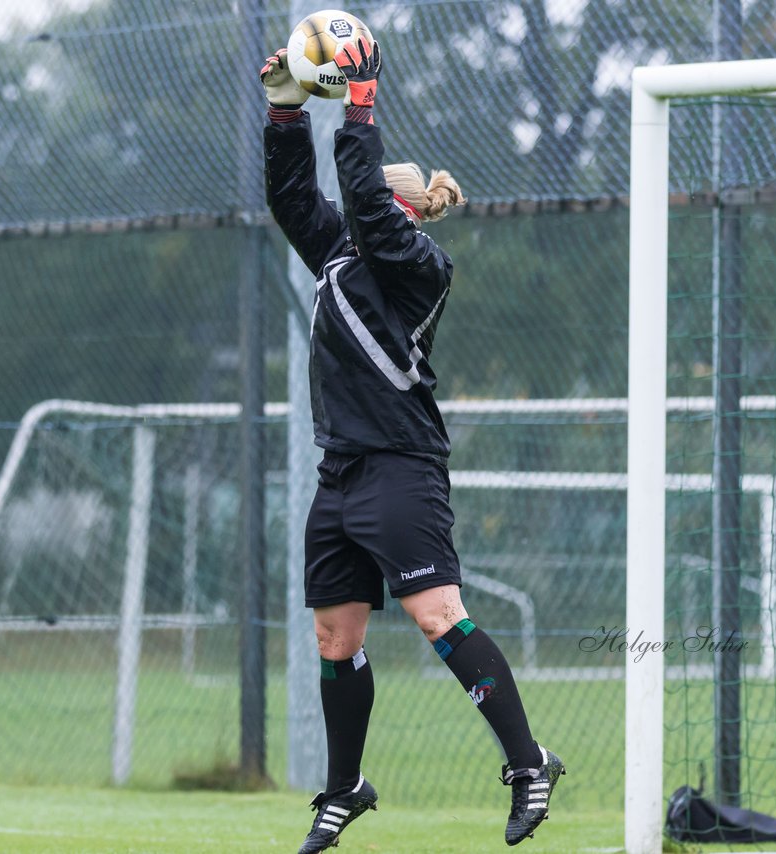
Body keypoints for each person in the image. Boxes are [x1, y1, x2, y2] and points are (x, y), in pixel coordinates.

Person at [261, 35, 566, 853]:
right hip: (342, 473)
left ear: (397, 209)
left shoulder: (415, 264)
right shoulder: (337, 253)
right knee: (336, 639)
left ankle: (529, 761)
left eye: (366, 200)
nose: (349, 207)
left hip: (401, 466)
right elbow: (295, 196)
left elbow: (357, 193)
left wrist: (359, 99)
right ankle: (345, 787)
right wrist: (286, 108)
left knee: (437, 615)